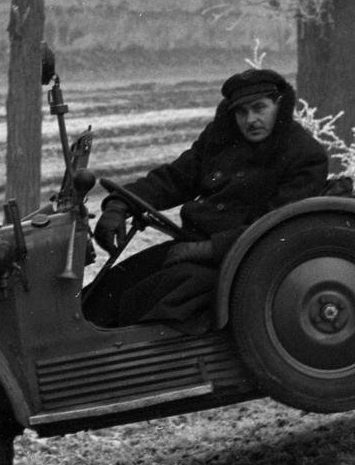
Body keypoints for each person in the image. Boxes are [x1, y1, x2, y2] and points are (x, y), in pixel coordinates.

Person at [81, 67, 331, 334]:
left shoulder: (304, 155)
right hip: (190, 247)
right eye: (241, 111)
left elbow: (274, 229)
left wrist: (204, 250)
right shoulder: (221, 139)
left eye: (259, 108)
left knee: (154, 309)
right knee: (105, 292)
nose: (250, 120)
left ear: (280, 105)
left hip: (241, 263)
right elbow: (174, 178)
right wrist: (119, 204)